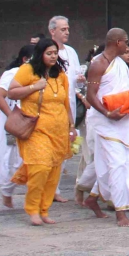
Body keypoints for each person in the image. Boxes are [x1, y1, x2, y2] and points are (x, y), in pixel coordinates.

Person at [81, 28, 129, 226]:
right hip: (106, 122)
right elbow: (91, 95)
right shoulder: (98, 64)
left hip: (125, 119)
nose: (128, 46)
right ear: (118, 42)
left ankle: (92, 198)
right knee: (117, 163)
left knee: (119, 163)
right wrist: (107, 113)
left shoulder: (121, 63)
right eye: (126, 42)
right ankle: (121, 212)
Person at [6, 37, 76, 226]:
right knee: (40, 167)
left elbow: (65, 103)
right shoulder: (27, 70)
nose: (53, 56)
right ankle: (32, 209)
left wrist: (71, 126)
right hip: (36, 130)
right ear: (40, 54)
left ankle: (44, 210)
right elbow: (11, 92)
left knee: (53, 173)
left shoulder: (60, 74)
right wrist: (34, 87)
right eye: (49, 53)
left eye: (55, 53)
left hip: (59, 130)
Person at [0, 43, 35, 209]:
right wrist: (13, 117)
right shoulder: (12, 74)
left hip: (32, 121)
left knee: (32, 160)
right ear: (25, 59)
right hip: (16, 123)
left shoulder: (38, 74)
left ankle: (35, 199)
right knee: (16, 161)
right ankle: (7, 191)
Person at [50, 16, 88, 202]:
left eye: (67, 29)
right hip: (52, 105)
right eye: (62, 29)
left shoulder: (71, 52)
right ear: (52, 31)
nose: (66, 32)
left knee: (66, 147)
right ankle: (47, 188)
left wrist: (80, 80)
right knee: (51, 147)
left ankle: (54, 188)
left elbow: (75, 80)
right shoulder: (47, 50)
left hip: (70, 105)